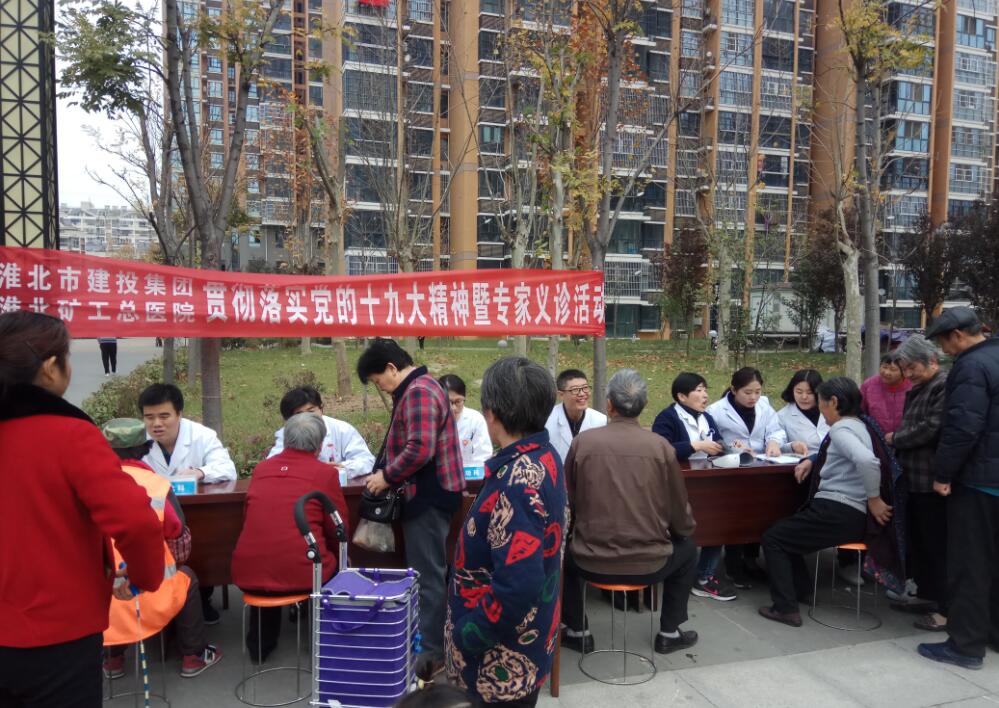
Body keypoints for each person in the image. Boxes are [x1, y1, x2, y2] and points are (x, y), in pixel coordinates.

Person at [0, 311, 164, 707]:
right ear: (50, 367)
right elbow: (135, 521)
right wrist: (144, 576)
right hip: (56, 636)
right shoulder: (69, 435)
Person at [445, 357, 567, 707]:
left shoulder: (518, 481)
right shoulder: (544, 454)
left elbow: (518, 585)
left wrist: (468, 635)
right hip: (527, 644)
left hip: (499, 664)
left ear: (491, 413)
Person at [561, 369, 699, 656]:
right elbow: (678, 509)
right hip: (650, 563)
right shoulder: (661, 447)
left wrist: (574, 533)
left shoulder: (583, 443)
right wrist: (681, 532)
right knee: (688, 550)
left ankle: (577, 631)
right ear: (644, 405)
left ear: (609, 404)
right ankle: (669, 632)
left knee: (562, 554)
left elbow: (568, 502)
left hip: (589, 559)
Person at [358, 338, 465, 670]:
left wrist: (386, 476)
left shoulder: (418, 391)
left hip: (428, 496)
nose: (380, 386)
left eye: (378, 380)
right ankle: (427, 644)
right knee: (426, 572)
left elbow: (420, 448)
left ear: (392, 368)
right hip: (427, 494)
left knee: (428, 576)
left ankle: (431, 655)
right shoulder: (418, 388)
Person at [759, 377, 891, 627]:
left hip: (838, 509)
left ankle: (786, 609)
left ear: (834, 402)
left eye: (820, 402)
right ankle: (801, 591)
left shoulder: (841, 429)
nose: (819, 409)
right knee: (783, 533)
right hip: (850, 512)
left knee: (773, 538)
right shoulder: (860, 425)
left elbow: (867, 461)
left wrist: (874, 499)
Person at [100, 418, 221, 679]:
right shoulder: (156, 484)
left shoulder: (91, 484)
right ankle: (194, 655)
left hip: (103, 590)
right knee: (187, 578)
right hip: (151, 587)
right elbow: (176, 533)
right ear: (145, 448)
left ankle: (112, 660)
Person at [918, 307, 999, 670]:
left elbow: (962, 427)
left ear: (958, 335)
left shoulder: (970, 366)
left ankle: (965, 646)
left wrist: (943, 474)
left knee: (970, 565)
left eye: (942, 341)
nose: (943, 349)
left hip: (978, 482)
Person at [231, 413, 349, 663]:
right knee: (327, 562)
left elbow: (247, 517)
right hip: (304, 575)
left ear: (285, 440)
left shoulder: (262, 469)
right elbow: (338, 527)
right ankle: (326, 640)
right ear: (319, 446)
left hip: (247, 571)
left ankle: (259, 647)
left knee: (270, 562)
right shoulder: (325, 474)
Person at [139, 383, 237, 623]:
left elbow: (227, 469)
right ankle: (160, 602)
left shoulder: (201, 436)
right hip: (154, 517)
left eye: (164, 416)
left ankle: (202, 597)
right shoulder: (138, 441)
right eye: (149, 417)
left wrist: (200, 472)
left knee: (203, 544)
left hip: (194, 516)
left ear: (179, 414)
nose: (156, 424)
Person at [652, 372, 734, 602]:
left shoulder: (706, 417)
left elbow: (717, 441)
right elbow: (661, 449)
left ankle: (704, 576)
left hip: (707, 483)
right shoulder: (667, 418)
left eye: (705, 390)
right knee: (680, 529)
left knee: (716, 523)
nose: (705, 395)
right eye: (698, 390)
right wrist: (694, 445)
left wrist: (728, 447)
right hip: (676, 486)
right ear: (681, 396)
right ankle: (675, 572)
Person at [890, 335, 949, 632]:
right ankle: (926, 594)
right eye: (905, 369)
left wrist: (896, 438)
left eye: (912, 367)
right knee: (921, 543)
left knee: (937, 545)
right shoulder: (920, 387)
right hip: (913, 478)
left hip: (931, 480)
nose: (908, 374)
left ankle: (945, 608)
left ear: (932, 361)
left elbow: (932, 428)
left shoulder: (943, 386)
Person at [706, 367, 786, 586]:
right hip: (732, 472)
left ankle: (751, 560)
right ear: (734, 390)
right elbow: (712, 439)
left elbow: (776, 430)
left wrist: (773, 442)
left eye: (757, 392)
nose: (753, 397)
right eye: (747, 392)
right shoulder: (717, 410)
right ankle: (733, 565)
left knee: (758, 516)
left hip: (761, 468)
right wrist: (733, 447)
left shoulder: (764, 406)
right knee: (737, 518)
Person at [266, 385, 375, 479]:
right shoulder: (285, 434)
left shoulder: (342, 429)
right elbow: (273, 465)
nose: (307, 417)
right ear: (289, 419)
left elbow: (367, 460)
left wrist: (343, 468)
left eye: (311, 411)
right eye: (299, 414)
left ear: (321, 409)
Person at [544, 369, 607, 463]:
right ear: (561, 395)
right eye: (575, 390)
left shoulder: (600, 420)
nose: (582, 394)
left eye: (585, 388)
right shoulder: (547, 420)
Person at [439, 374, 492, 469]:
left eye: (458, 401)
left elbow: (483, 455)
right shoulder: (432, 420)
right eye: (448, 402)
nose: (453, 408)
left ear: (464, 398)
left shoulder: (475, 419)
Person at [778, 369, 829, 456]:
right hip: (803, 461)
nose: (804, 397)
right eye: (799, 392)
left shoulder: (831, 410)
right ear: (792, 391)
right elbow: (776, 444)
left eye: (809, 392)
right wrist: (792, 446)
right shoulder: (782, 416)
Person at [860, 353, 912, 436]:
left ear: (904, 371)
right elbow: (860, 412)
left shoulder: (913, 386)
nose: (887, 372)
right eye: (884, 367)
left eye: (893, 369)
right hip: (875, 438)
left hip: (906, 438)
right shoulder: (868, 385)